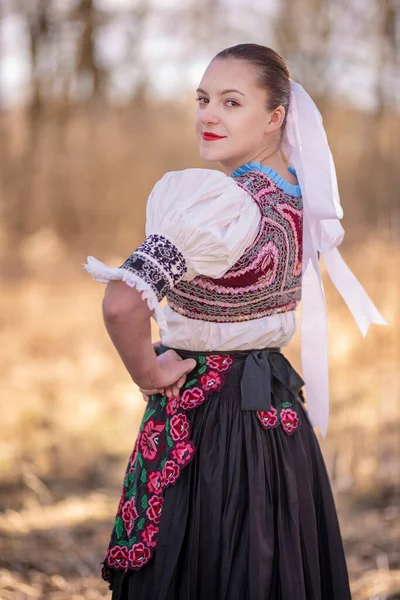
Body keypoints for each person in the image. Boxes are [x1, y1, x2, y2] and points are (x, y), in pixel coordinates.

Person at [84, 43, 387, 600]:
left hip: (209, 424)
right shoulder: (299, 202)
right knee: (270, 565)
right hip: (276, 419)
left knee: (205, 560)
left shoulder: (218, 204)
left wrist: (147, 374)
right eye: (202, 99)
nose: (208, 115)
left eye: (231, 101)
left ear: (275, 118)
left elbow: (121, 303)